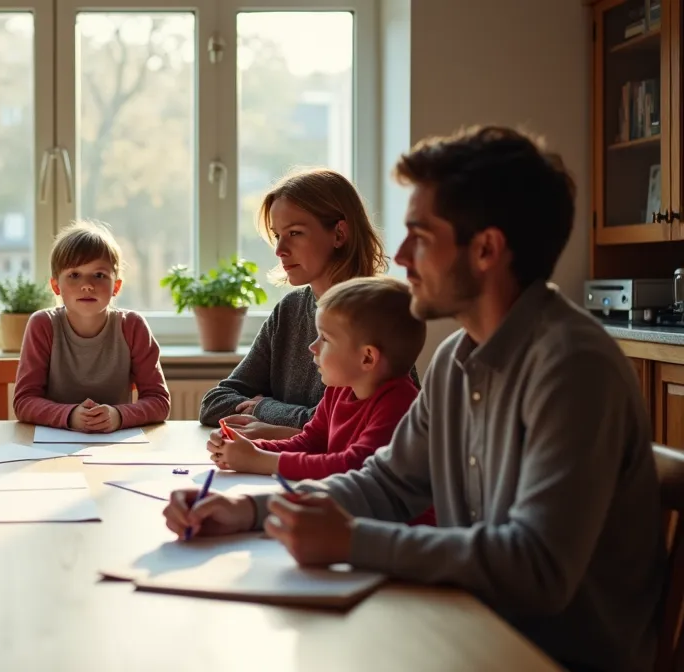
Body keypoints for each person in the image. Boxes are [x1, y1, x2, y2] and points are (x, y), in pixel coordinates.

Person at [164, 125, 665, 671]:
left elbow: (537, 568)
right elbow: (388, 482)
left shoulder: (573, 368)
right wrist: (249, 510)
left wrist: (352, 542)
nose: (400, 256)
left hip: (545, 654)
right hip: (465, 624)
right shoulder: (456, 359)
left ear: (486, 250)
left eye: (420, 236)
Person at [199, 168, 392, 441]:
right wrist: (292, 419)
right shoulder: (289, 310)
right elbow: (214, 403)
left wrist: (265, 407)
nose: (279, 251)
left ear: (339, 234)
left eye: (295, 233)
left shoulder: (378, 314)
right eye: (277, 235)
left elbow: (350, 423)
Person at [206, 276, 423, 483]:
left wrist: (257, 459)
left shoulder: (399, 404)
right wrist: (247, 448)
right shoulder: (340, 390)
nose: (312, 346)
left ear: (367, 357)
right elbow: (309, 443)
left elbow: (352, 467)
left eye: (325, 338)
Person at [12, 221, 170, 431]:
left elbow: (159, 401)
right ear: (55, 286)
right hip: (50, 448)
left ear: (117, 286)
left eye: (99, 275)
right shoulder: (43, 325)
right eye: (74, 275)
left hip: (115, 450)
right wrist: (69, 416)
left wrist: (118, 416)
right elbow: (24, 402)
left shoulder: (132, 327)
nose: (87, 285)